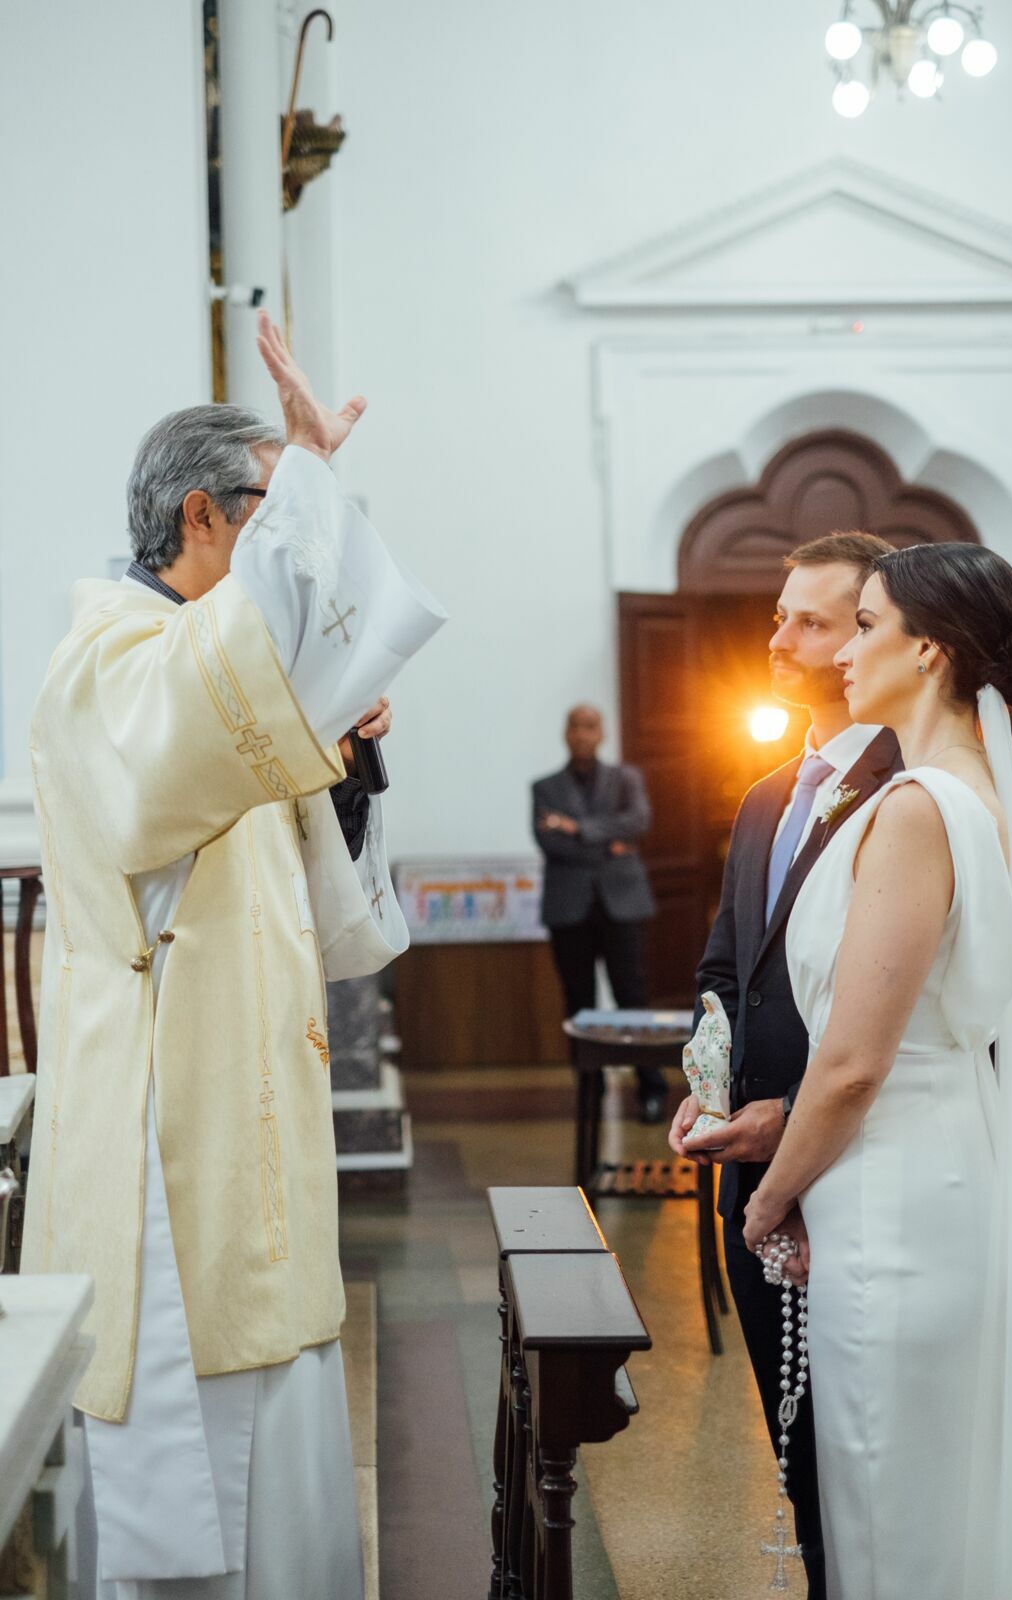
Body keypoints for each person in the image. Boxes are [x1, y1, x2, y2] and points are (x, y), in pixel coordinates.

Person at [21, 313, 446, 1599]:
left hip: (254, 1112)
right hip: (170, 1134)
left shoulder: (221, 684)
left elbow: (329, 920)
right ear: (203, 517)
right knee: (189, 1492)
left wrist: (351, 758)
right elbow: (171, 768)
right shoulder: (112, 663)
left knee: (287, 1448)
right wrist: (312, 482)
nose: (290, 553)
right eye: (271, 514)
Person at [741, 542, 1012, 1600]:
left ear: (925, 650)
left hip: (891, 1202)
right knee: (916, 1506)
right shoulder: (967, 790)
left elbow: (849, 1062)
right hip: (928, 1168)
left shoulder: (920, 806)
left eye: (866, 624)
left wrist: (770, 1194)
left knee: (888, 1513)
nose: (844, 650)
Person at [668, 531, 896, 1600]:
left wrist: (787, 1119)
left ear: (865, 635)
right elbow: (725, 963)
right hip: (745, 1173)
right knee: (795, 1456)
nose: (776, 639)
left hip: (857, 1170)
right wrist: (705, 1091)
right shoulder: (766, 796)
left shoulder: (908, 794)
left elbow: (899, 1019)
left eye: (807, 620)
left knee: (868, 1458)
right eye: (776, 615)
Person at [532, 705, 665, 1120]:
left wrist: (577, 829)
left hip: (622, 905)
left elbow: (639, 821)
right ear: (565, 733)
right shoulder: (545, 788)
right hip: (569, 909)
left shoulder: (626, 779)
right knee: (578, 1002)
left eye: (590, 726)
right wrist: (611, 844)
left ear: (602, 732)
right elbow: (550, 845)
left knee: (632, 996)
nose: (582, 734)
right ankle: (590, 1089)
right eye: (575, 726)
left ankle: (651, 1088)